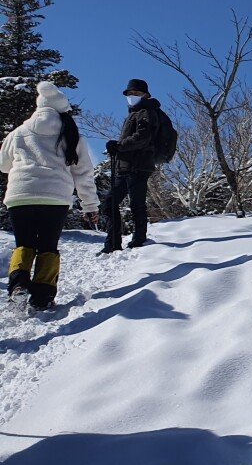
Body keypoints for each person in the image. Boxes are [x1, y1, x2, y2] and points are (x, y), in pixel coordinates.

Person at [2, 82, 100, 310]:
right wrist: (90, 205)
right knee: (48, 246)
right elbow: (84, 174)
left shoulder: (19, 132)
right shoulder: (71, 135)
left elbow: (3, 165)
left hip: (20, 195)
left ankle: (18, 286)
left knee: (23, 244)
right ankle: (43, 296)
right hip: (54, 198)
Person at [101, 78, 162, 253]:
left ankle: (138, 240)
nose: (132, 96)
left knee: (135, 204)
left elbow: (143, 137)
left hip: (138, 165)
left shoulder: (146, 112)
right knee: (110, 203)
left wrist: (119, 146)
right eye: (129, 93)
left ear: (145, 95)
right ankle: (113, 243)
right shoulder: (135, 113)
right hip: (127, 166)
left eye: (136, 93)